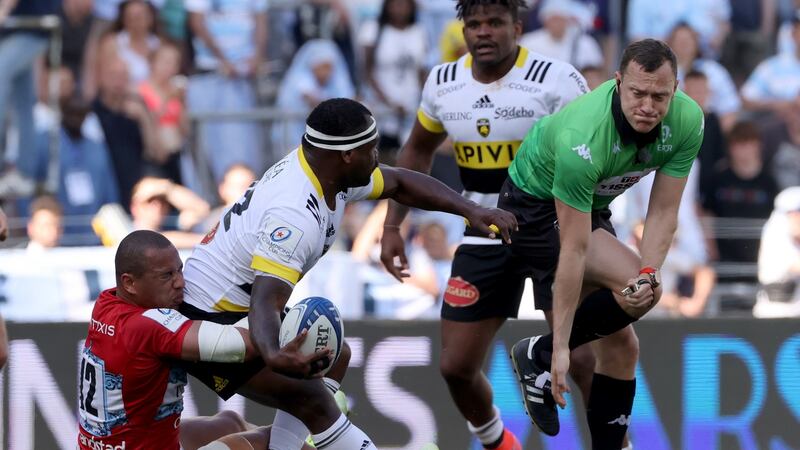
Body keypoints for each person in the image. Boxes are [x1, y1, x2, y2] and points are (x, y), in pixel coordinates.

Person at [179, 97, 517, 450]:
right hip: (210, 318)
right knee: (316, 403)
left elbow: (401, 183)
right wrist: (275, 356)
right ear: (346, 156)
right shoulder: (295, 214)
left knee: (334, 355)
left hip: (235, 304)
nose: (377, 157)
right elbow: (265, 301)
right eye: (371, 149)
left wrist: (473, 210)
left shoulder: (328, 172)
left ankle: (286, 444)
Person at [378, 1, 591, 448]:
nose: (483, 33)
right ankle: (500, 443)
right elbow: (416, 152)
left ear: (517, 27)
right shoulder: (443, 81)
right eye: (473, 24)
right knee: (455, 367)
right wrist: (393, 225)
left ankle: (616, 442)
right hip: (484, 232)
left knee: (579, 357)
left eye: (494, 23)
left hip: (550, 228)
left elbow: (591, 156)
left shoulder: (557, 80)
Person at [503, 39, 703, 450]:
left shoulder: (688, 121)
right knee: (636, 295)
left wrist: (650, 271)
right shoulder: (585, 136)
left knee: (625, 343)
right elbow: (574, 248)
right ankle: (540, 352)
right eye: (637, 93)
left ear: (676, 89)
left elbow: (664, 212)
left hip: (591, 205)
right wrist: (559, 346)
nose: (648, 105)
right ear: (617, 83)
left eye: (660, 96)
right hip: (532, 208)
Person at [76, 229, 306, 450]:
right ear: (129, 283)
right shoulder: (148, 326)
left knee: (230, 422)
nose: (180, 283)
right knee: (270, 439)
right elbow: (243, 345)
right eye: (167, 276)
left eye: (179, 270)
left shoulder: (106, 303)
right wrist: (274, 307)